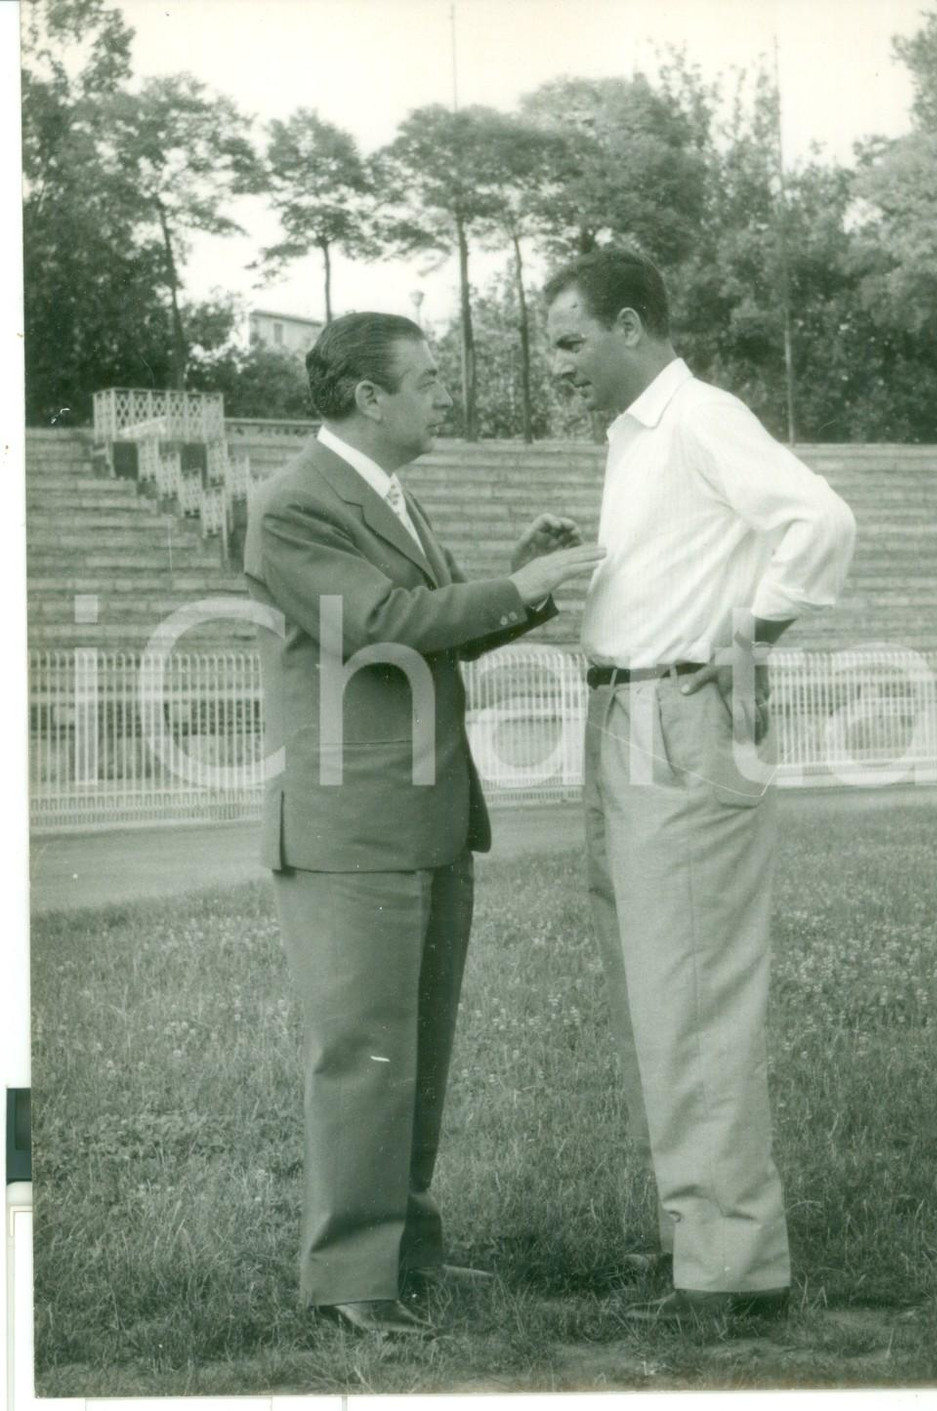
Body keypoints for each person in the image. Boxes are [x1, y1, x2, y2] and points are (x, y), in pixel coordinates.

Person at [244, 311, 604, 1337]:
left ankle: (402, 1250)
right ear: (370, 395)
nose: (445, 394)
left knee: (415, 1051)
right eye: (431, 379)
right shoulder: (295, 503)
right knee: (362, 1051)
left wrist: (516, 583)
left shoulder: (383, 495)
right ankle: (351, 1279)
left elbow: (436, 621)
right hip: (353, 826)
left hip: (425, 816)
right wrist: (518, 585)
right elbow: (383, 628)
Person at [543, 247, 856, 1325]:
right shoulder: (637, 439)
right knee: (655, 990)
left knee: (694, 994)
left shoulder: (701, 415)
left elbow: (821, 519)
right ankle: (699, 1236)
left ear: (632, 325)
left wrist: (751, 633)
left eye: (571, 341)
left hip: (680, 719)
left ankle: (732, 1270)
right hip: (625, 712)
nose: (557, 366)